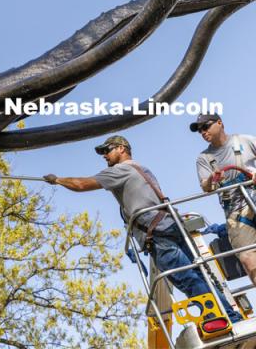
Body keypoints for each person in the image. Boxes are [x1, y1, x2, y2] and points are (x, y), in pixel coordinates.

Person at [43, 135, 242, 323]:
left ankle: (220, 319)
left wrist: (57, 180)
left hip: (157, 234)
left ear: (121, 149)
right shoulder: (142, 169)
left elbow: (80, 184)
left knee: (187, 278)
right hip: (171, 225)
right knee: (200, 275)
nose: (104, 155)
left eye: (107, 150)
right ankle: (231, 315)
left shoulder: (120, 170)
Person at [190, 113, 256, 286]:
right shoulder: (204, 158)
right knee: (248, 259)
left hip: (254, 197)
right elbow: (206, 187)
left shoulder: (245, 141)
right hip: (236, 213)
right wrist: (213, 178)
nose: (203, 132)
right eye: (199, 130)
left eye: (205, 126)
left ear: (220, 123)